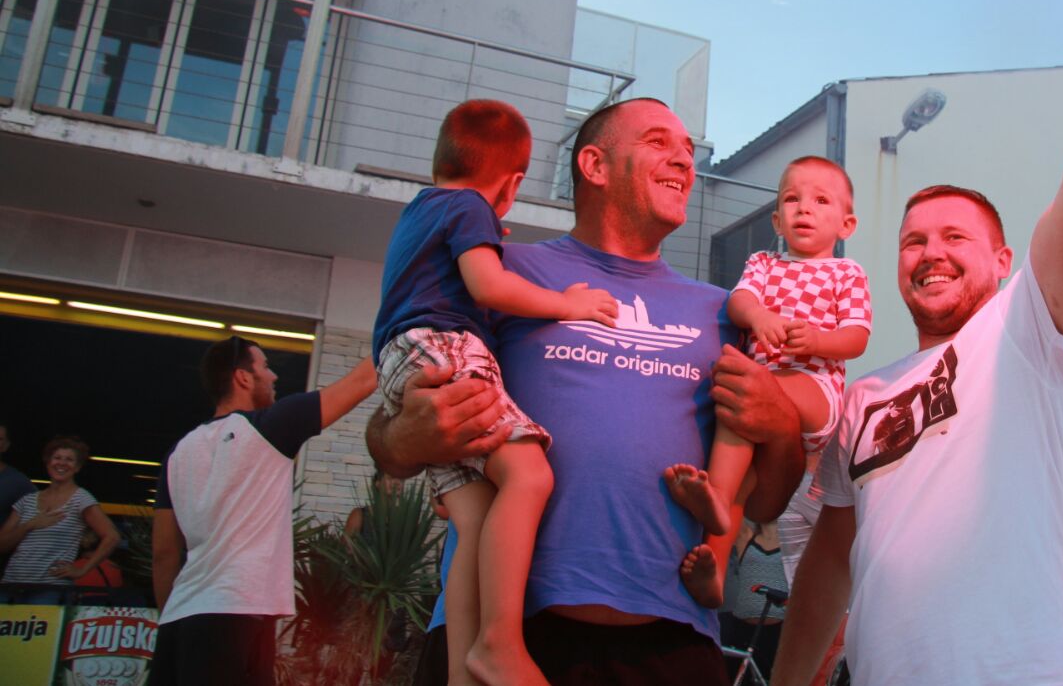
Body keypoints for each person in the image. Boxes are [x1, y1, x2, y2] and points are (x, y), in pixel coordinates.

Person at [769, 0, 1063, 686]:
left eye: (953, 236)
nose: (929, 251)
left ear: (1002, 263)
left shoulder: (1027, 332)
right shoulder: (862, 399)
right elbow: (829, 565)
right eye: (912, 240)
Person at [368, 97, 805, 686]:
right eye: (658, 142)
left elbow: (765, 504)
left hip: (671, 645)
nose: (684, 159)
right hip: (506, 640)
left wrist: (780, 424)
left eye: (687, 150)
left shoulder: (723, 311)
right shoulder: (502, 275)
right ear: (595, 165)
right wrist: (402, 437)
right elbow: (387, 423)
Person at [372, 98, 621, 686]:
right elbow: (487, 282)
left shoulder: (422, 209)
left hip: (404, 360)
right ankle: (501, 643)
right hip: (447, 347)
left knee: (476, 515)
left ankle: (464, 671)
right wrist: (569, 304)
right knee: (530, 475)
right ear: (511, 185)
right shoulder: (469, 208)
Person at [672, 155, 872, 608]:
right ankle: (717, 570)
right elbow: (741, 300)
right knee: (740, 445)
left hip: (814, 386)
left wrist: (819, 339)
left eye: (821, 200)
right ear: (777, 220)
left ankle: (719, 499)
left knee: (745, 391)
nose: (805, 208)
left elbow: (857, 337)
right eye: (792, 199)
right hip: (763, 382)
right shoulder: (763, 262)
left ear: (847, 224)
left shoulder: (846, 273)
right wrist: (759, 316)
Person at [150, 336, 377, 686]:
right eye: (266, 367)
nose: (273, 377)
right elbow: (364, 379)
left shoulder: (178, 453)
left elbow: (164, 553)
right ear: (243, 378)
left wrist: (172, 617)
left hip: (179, 619)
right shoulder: (269, 427)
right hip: (234, 616)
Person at [0, 435, 118, 585]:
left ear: (78, 467)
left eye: (69, 459)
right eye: (57, 458)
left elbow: (112, 536)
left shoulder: (81, 499)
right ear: (48, 462)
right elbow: (2, 545)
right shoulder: (27, 500)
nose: (62, 463)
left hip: (51, 589)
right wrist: (30, 525)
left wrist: (82, 570)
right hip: (11, 584)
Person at [720, 519, 788, 680]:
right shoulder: (746, 536)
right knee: (735, 677)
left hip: (777, 629)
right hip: (742, 626)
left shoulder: (792, 543)